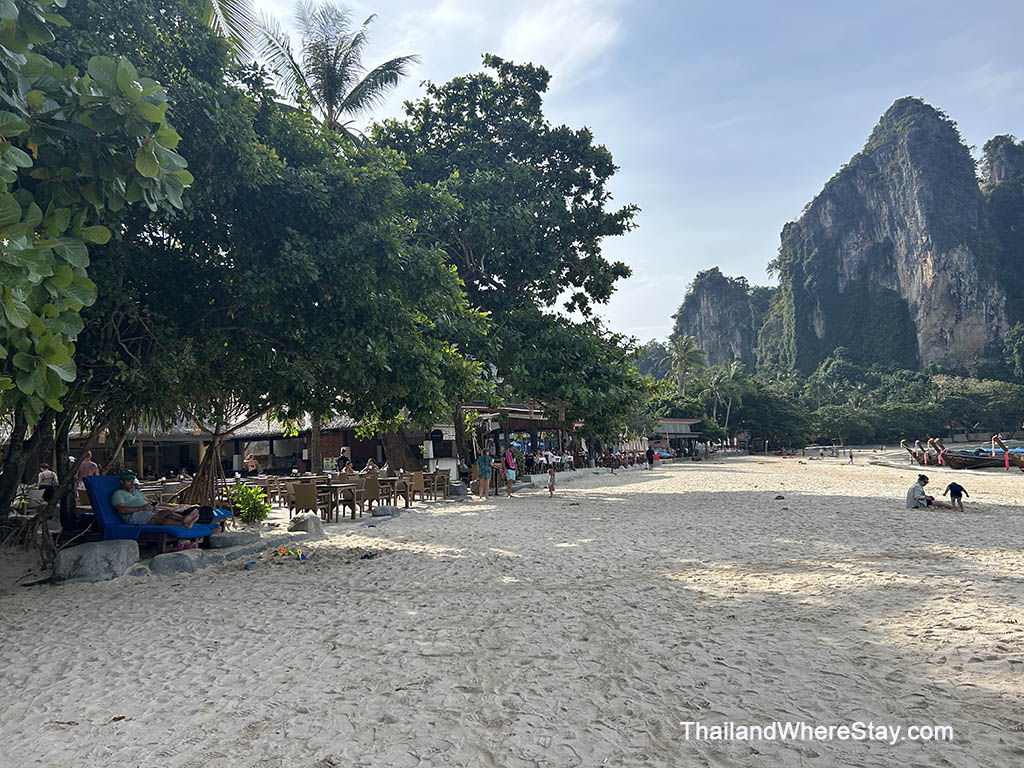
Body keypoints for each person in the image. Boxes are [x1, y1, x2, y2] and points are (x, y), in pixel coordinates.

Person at [111, 471, 200, 527]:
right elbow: (121, 510)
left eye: (132, 480)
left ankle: (184, 519)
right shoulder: (118, 494)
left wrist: (155, 504)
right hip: (134, 516)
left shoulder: (137, 492)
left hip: (147, 511)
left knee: (167, 512)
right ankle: (184, 523)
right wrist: (141, 508)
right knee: (160, 517)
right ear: (122, 482)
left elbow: (148, 501)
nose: (131, 483)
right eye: (128, 481)